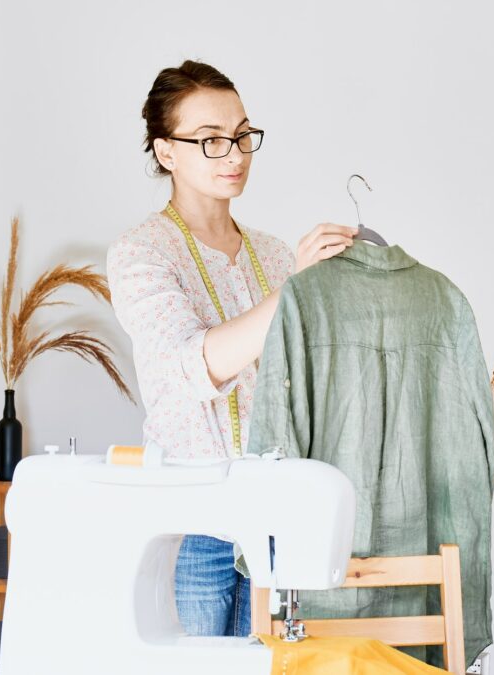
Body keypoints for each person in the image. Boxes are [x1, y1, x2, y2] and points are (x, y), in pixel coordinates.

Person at [106, 59, 357, 637]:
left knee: (274, 665)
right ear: (166, 152)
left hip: (276, 509)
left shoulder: (271, 252)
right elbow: (193, 367)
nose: (236, 154)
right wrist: (295, 290)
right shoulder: (141, 253)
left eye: (243, 134)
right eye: (211, 140)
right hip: (192, 516)